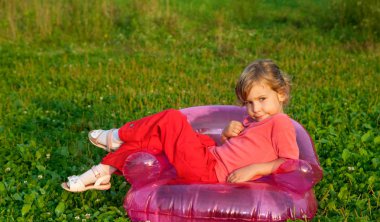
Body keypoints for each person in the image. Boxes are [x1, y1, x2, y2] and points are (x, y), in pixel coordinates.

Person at [62, 59, 299, 192]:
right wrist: (227, 135)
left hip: (210, 172)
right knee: (156, 139)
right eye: (248, 103)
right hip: (210, 155)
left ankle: (118, 136)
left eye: (262, 100)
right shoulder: (254, 120)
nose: (255, 109)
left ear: (281, 93)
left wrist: (255, 169)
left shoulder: (280, 123)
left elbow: (289, 162)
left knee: (172, 119)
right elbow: (241, 150)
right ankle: (103, 172)